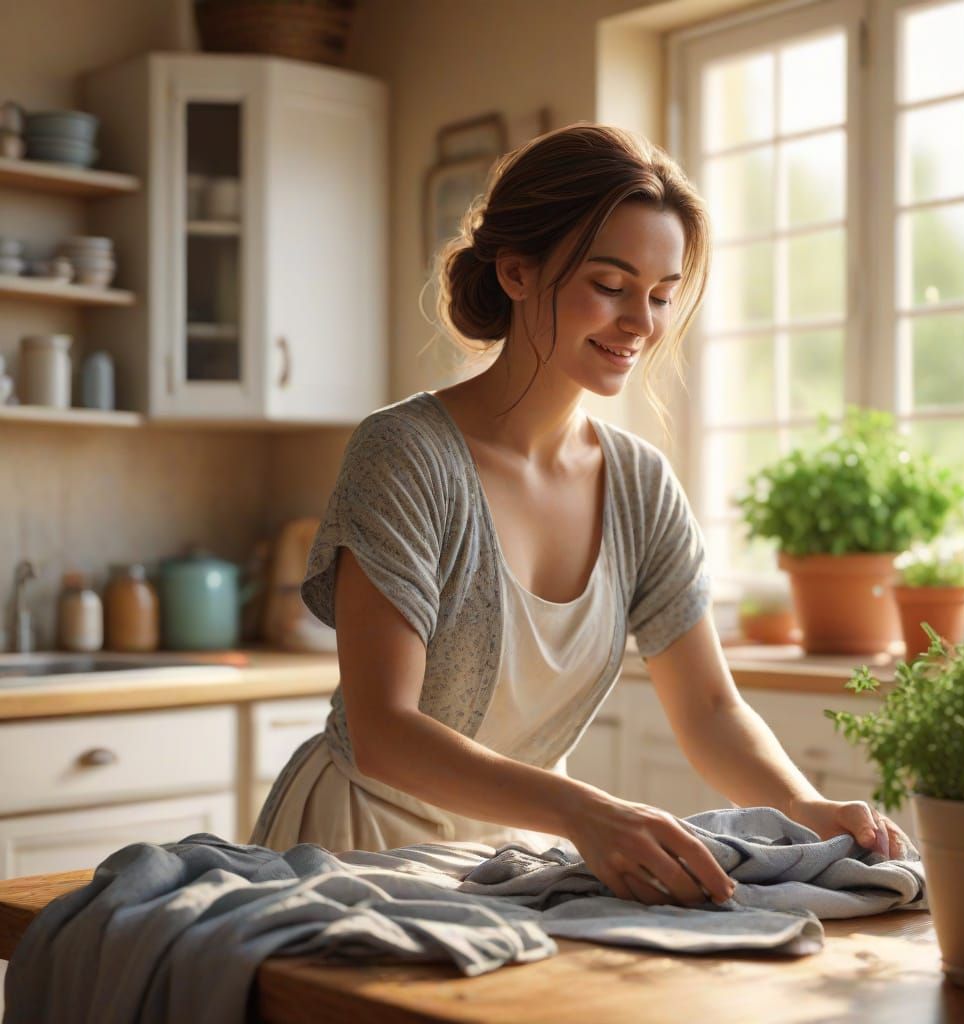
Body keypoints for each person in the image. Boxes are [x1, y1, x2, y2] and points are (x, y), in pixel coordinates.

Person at [251, 122, 908, 908]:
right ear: (519, 271)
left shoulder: (640, 485)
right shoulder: (404, 454)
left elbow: (709, 708)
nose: (641, 323)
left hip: (516, 869)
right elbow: (385, 730)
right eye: (610, 284)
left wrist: (808, 812)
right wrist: (585, 810)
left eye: (662, 296)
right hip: (355, 854)